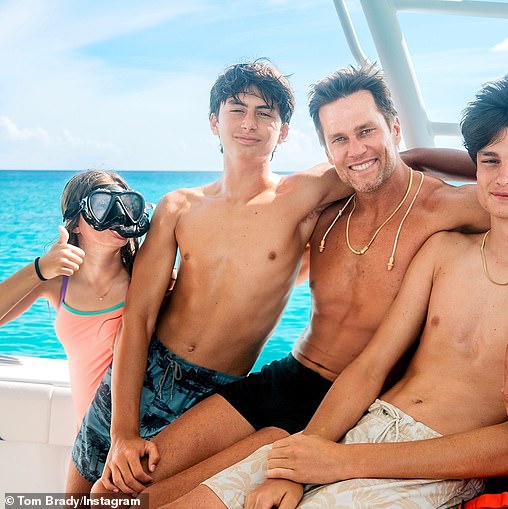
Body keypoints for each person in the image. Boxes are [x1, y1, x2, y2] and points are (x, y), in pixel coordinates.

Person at [127, 65, 508, 507]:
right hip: (297, 378)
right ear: (326, 150)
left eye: (368, 131)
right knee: (131, 491)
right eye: (339, 139)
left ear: (393, 127)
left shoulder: (447, 211)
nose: (356, 149)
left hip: (364, 406)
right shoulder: (329, 202)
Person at [76, 59, 474, 495]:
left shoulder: (302, 193)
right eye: (236, 109)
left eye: (265, 112)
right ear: (214, 121)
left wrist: (489, 170)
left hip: (237, 384)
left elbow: (394, 160)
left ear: (283, 131)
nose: (249, 122)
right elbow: (137, 320)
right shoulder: (180, 206)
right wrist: (122, 434)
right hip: (168, 370)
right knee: (92, 496)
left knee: (135, 496)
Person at [0, 169, 149, 429]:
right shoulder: (58, 282)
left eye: (126, 205)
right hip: (88, 436)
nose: (119, 216)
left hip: (138, 432)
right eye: (103, 205)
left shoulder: (146, 282)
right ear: (76, 222)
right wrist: (39, 269)